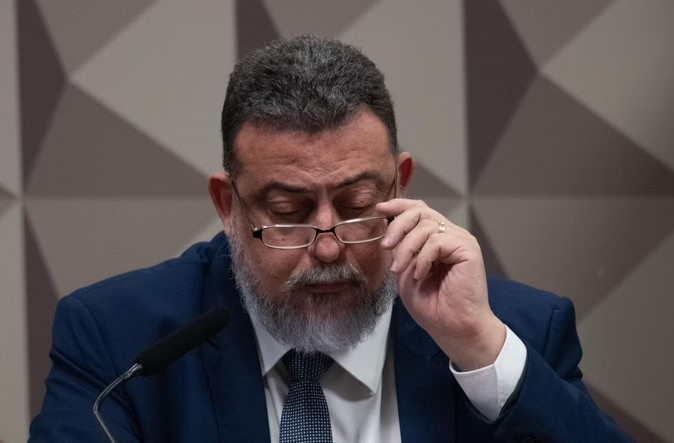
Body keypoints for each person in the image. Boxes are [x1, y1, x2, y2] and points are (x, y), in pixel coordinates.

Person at [29, 35, 633, 442]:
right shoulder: (121, 341)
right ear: (228, 205)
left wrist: (479, 349)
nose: (326, 248)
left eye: (358, 206)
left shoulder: (516, 331)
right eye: (288, 212)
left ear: (400, 184)